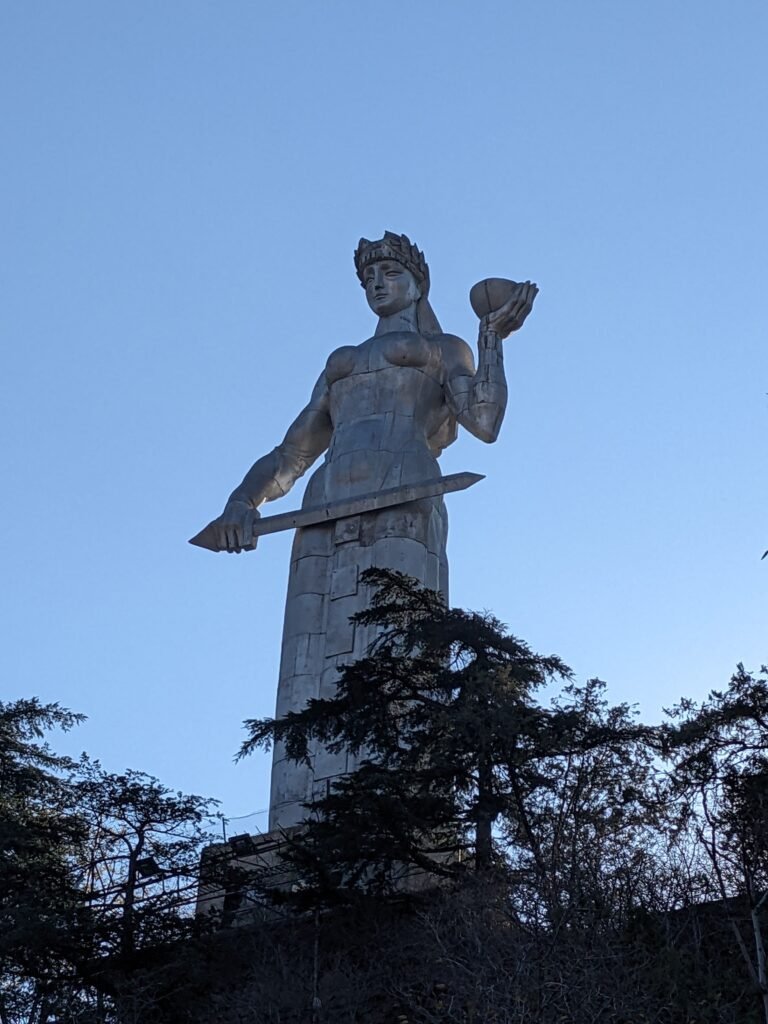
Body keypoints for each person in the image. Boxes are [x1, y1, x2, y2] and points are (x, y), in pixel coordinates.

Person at [211, 232, 537, 830]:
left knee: (400, 645)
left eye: (389, 273)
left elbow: (484, 421)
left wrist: (491, 338)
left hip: (403, 489)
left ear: (418, 282)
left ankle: (399, 815)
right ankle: (298, 825)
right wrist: (242, 500)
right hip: (322, 506)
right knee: (308, 664)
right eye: (368, 278)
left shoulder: (442, 347)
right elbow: (292, 452)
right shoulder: (339, 362)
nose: (377, 284)